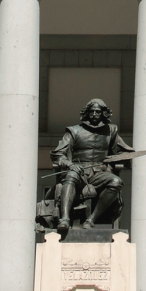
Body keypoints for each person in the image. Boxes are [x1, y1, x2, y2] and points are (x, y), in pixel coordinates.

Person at [50, 99, 134, 232]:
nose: (94, 114)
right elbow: (58, 154)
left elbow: (124, 150)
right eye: (92, 111)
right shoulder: (73, 131)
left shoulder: (111, 131)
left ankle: (91, 220)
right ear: (87, 113)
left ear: (103, 113)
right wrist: (70, 164)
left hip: (100, 172)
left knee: (116, 182)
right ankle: (65, 219)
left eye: (98, 111)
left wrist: (120, 158)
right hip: (79, 170)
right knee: (71, 176)